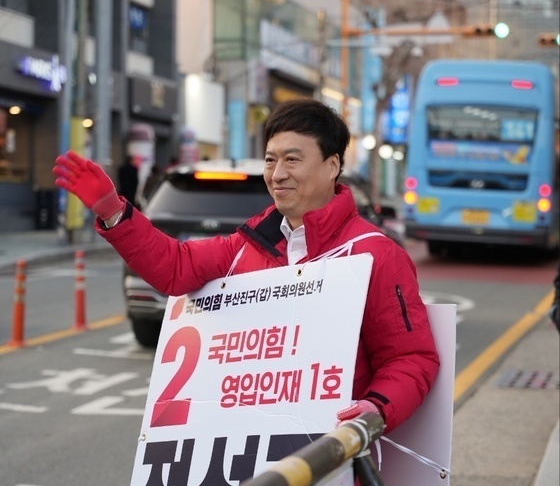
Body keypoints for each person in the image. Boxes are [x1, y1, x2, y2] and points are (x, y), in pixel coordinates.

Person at [53, 99, 439, 434]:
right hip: (243, 455)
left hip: (329, 455)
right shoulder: (247, 243)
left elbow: (411, 358)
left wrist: (374, 409)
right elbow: (175, 267)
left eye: (293, 159)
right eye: (271, 160)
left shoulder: (375, 254)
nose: (278, 173)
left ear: (332, 165)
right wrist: (114, 211)